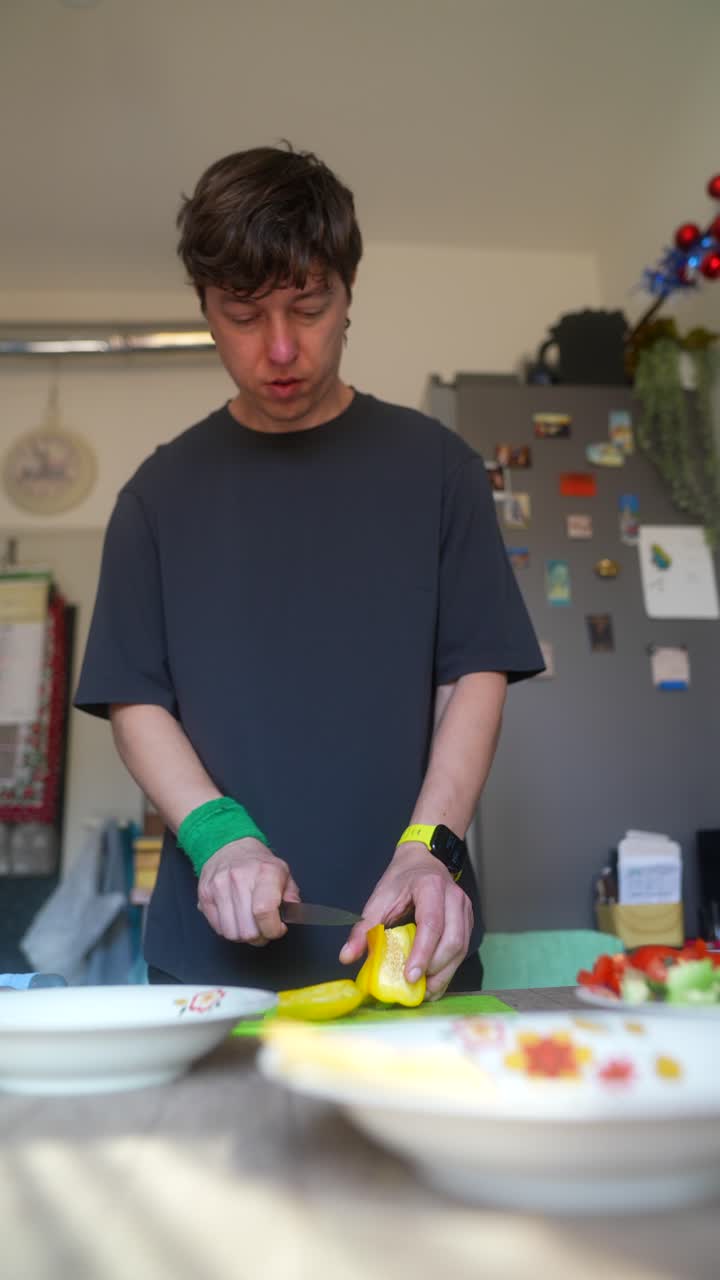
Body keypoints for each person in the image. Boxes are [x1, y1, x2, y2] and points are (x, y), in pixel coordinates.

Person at [74, 144, 544, 996]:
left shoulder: (437, 468)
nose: (282, 348)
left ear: (348, 296)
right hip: (206, 968)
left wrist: (427, 852)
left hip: (410, 942)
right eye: (245, 315)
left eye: (309, 306)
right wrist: (221, 838)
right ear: (206, 311)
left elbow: (473, 672)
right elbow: (135, 698)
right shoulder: (157, 495)